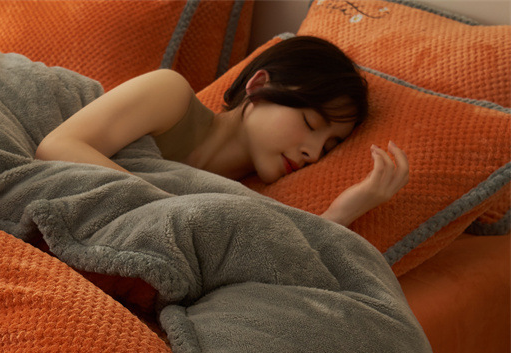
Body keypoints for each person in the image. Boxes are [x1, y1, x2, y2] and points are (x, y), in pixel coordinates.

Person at [36, 36, 408, 228]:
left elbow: (276, 260)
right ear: (258, 86)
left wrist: (341, 212)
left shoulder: (244, 199)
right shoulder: (171, 95)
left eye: (329, 146)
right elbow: (58, 146)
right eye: (310, 123)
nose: (313, 152)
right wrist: (171, 206)